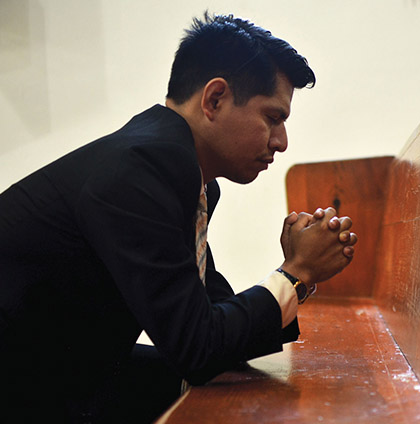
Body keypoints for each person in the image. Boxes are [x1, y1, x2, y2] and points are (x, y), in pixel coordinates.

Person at [0, 13, 357, 423]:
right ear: (215, 99)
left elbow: (213, 312)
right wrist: (296, 273)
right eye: (272, 118)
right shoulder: (142, 170)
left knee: (258, 391)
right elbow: (196, 347)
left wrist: (297, 277)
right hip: (22, 383)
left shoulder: (184, 175)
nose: (281, 142)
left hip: (54, 369)